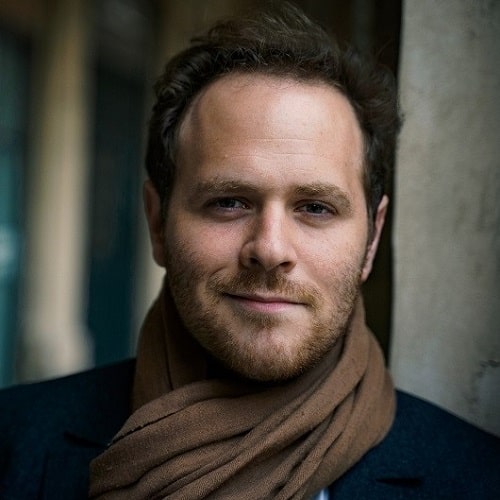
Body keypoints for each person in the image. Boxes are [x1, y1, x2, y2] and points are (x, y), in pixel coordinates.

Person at [1, 4, 499, 499]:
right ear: (157, 223)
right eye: (229, 202)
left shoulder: (479, 479)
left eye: (316, 208)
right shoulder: (11, 443)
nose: (270, 248)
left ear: (372, 239)